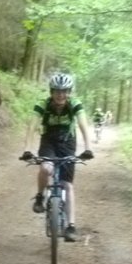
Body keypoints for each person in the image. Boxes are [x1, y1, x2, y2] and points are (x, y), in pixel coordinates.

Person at [21, 73, 93, 242]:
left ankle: (71, 226)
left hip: (68, 142)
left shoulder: (74, 104)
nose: (61, 95)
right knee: (46, 168)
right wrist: (26, 149)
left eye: (64, 91)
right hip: (49, 140)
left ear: (69, 92)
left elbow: (83, 125)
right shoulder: (43, 105)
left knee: (67, 185)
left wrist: (88, 148)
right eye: (57, 91)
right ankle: (40, 197)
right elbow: (32, 127)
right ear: (51, 92)